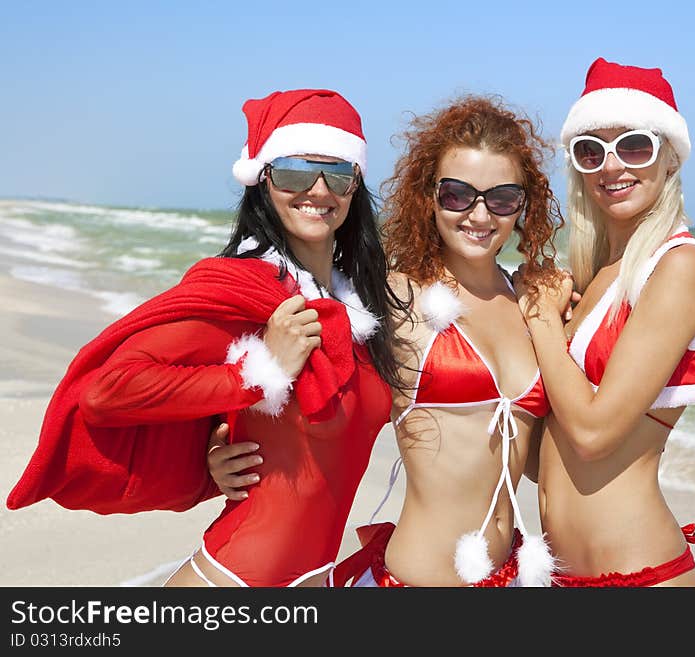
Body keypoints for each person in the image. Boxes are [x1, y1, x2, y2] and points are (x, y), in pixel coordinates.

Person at [6, 89, 408, 588]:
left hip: (317, 581)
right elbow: (108, 391)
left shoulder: (362, 306)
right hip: (233, 579)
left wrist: (210, 454)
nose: (319, 190)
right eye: (295, 172)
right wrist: (260, 374)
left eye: (339, 174)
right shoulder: (245, 288)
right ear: (262, 180)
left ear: (356, 186)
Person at [209, 94, 566, 587]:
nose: (480, 216)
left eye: (502, 198)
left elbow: (542, 458)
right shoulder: (392, 298)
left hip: (513, 574)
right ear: (429, 195)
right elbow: (301, 387)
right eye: (458, 194)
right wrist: (217, 441)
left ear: (524, 205)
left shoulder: (530, 303)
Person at [513, 57, 695, 586]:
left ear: (670, 158)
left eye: (634, 145)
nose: (612, 166)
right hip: (558, 578)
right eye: (591, 150)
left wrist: (540, 323)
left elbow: (591, 432)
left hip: (639, 576)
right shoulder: (595, 276)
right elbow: (550, 454)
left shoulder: (679, 268)